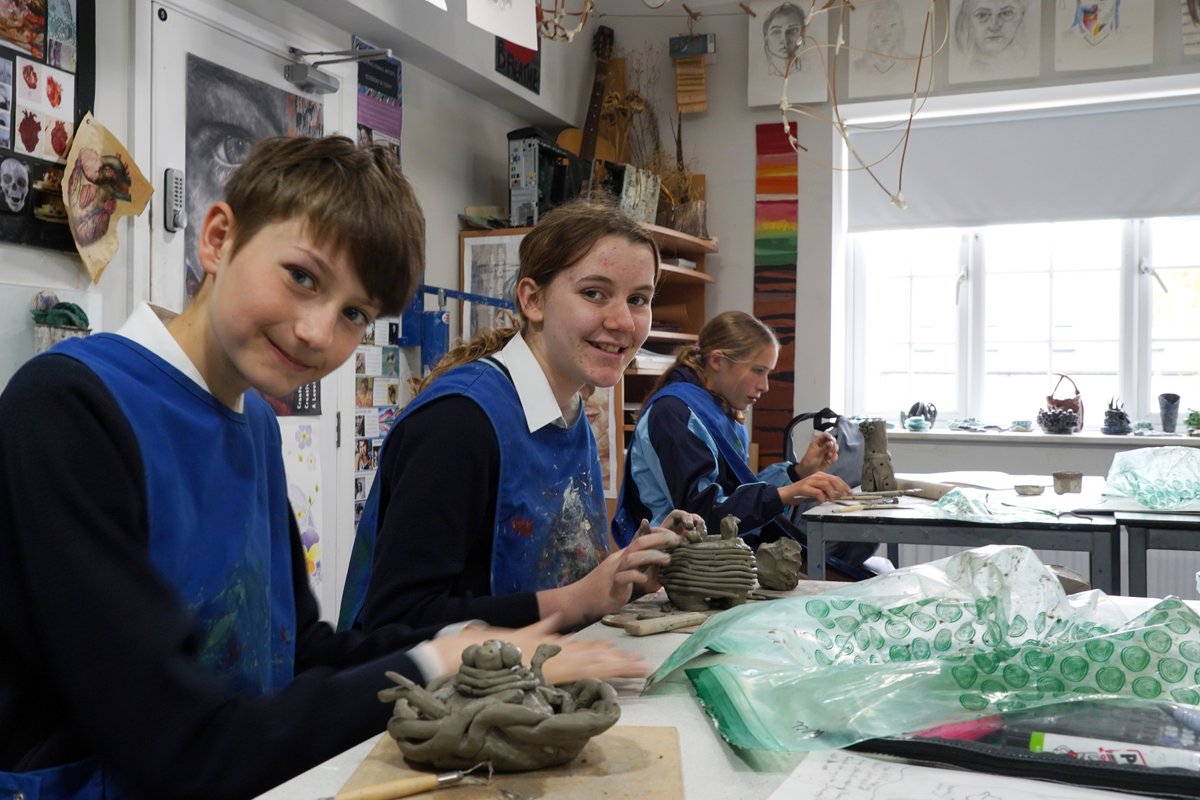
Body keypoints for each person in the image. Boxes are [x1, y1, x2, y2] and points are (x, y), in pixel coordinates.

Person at [0, 136, 645, 800]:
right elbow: (175, 740)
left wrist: (481, 647)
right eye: (302, 277)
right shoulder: (70, 405)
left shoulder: (250, 421)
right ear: (219, 238)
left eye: (353, 314)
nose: (317, 333)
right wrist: (431, 661)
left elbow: (301, 654)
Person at [340, 198, 695, 635]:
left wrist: (630, 572)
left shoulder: (572, 414)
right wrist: (576, 601)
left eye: (639, 299)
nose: (623, 320)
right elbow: (395, 621)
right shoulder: (459, 423)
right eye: (594, 293)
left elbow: (558, 575)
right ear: (533, 300)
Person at [613, 310, 878, 573]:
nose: (765, 386)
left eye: (768, 373)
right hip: (676, 566)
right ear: (718, 361)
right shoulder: (674, 413)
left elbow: (735, 493)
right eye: (758, 371)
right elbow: (703, 514)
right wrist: (786, 492)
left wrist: (798, 473)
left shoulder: (719, 409)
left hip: (712, 557)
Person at [954, 0, 1029, 71]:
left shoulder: (1027, 62)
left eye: (1006, 13)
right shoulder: (959, 66)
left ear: (1021, 16)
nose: (994, 26)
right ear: (967, 20)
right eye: (982, 15)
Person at [762, 2, 806, 77]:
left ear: (802, 34)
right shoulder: (761, 72)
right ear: (766, 38)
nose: (784, 39)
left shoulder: (809, 70)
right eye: (776, 32)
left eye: (793, 31)